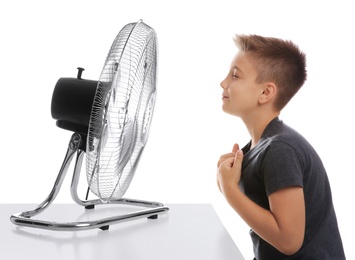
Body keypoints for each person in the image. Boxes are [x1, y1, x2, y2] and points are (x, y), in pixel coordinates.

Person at [216, 34, 346, 259]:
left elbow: (288, 241)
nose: (223, 83)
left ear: (265, 92)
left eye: (235, 75)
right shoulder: (260, 147)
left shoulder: (280, 149)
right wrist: (230, 184)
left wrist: (230, 192)